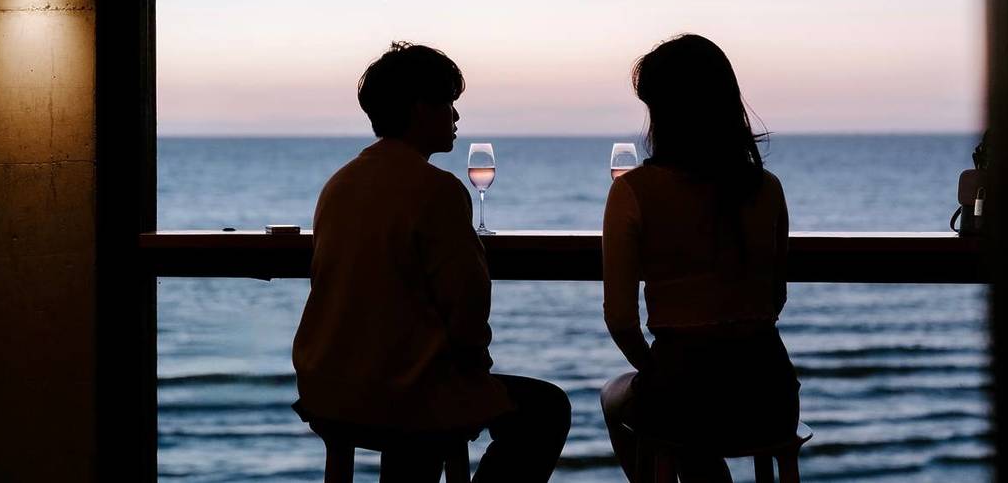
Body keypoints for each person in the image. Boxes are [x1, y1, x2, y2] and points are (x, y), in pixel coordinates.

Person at [292, 42, 570, 482]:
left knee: (417, 380)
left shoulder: (339, 183)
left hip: (327, 386)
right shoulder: (436, 190)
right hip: (400, 396)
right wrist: (476, 368)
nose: (456, 118)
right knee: (545, 408)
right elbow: (467, 305)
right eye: (449, 104)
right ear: (421, 109)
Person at [600, 34, 799, 482]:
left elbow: (621, 321)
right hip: (771, 393)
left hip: (686, 392)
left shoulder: (632, 193)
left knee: (620, 399)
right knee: (684, 415)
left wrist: (660, 370)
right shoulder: (766, 188)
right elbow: (776, 297)